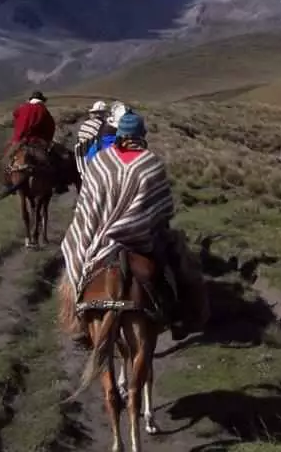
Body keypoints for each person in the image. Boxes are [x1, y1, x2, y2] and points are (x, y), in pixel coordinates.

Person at [59, 110, 208, 348]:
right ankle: (183, 315)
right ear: (141, 135)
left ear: (120, 134)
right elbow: (164, 207)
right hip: (141, 238)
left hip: (98, 235)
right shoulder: (151, 163)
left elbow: (87, 204)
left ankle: (77, 318)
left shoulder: (100, 162)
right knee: (180, 261)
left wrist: (99, 225)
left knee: (74, 252)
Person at [1, 90, 60, 195]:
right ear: (41, 100)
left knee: (4, 158)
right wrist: (47, 140)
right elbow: (50, 126)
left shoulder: (22, 108)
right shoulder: (43, 110)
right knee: (54, 161)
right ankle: (59, 184)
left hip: (19, 140)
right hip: (38, 142)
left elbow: (15, 115)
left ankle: (5, 182)